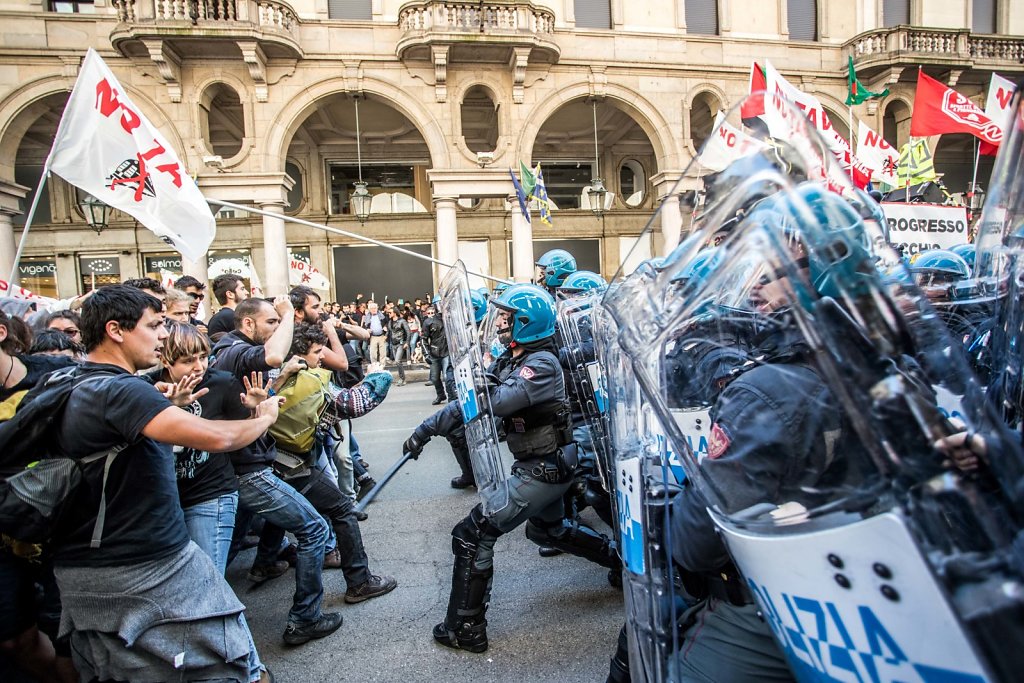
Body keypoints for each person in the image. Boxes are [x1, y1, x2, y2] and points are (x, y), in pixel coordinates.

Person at [46, 285, 280, 682]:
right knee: (226, 655)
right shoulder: (121, 389)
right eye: (154, 326)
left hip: (83, 563)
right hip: (143, 560)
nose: (163, 335)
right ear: (116, 330)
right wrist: (264, 418)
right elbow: (218, 437)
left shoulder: (71, 381)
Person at [403, 284, 614, 653]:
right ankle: (620, 563)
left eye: (507, 316)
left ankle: (466, 627)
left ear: (525, 323)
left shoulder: (541, 364)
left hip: (542, 471)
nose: (500, 321)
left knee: (472, 533)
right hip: (548, 465)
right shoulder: (517, 359)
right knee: (549, 531)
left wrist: (433, 422)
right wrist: (429, 430)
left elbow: (495, 401)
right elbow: (473, 404)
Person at [211, 295, 347, 645]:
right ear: (247, 324)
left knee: (228, 547)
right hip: (249, 469)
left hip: (245, 466)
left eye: (277, 321)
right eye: (269, 322)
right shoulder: (234, 349)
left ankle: (226, 608)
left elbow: (249, 399)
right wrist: (287, 314)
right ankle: (304, 619)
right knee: (315, 529)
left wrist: (274, 387)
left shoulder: (232, 352)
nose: (276, 328)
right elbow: (272, 355)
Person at [268, 323, 397, 601]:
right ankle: (359, 582)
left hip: (274, 462)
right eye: (317, 352)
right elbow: (355, 403)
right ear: (299, 355)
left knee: (287, 518)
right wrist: (379, 378)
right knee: (339, 511)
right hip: (291, 465)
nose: (321, 357)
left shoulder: (275, 377)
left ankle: (264, 562)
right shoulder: (311, 381)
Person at [422, 300, 449, 405]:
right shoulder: (427, 322)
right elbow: (423, 338)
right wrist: (426, 354)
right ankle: (441, 395)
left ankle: (452, 395)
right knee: (434, 378)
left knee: (447, 376)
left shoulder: (447, 318)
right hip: (434, 352)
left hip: (446, 351)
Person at [208, 273, 249, 340]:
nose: (247, 292)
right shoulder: (229, 316)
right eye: (242, 289)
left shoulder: (224, 316)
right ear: (230, 294)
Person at [387, 307, 410, 386]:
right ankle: (402, 378)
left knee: (397, 360)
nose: (389, 314)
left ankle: (402, 378)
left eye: (390, 312)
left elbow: (408, 332)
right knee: (398, 363)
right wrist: (385, 337)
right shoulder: (390, 322)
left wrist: (406, 342)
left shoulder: (402, 321)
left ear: (395, 313)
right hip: (393, 344)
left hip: (401, 343)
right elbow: (389, 332)